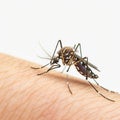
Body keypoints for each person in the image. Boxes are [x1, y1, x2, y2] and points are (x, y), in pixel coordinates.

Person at [0, 53, 120, 120]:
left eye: (55, 59)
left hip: (80, 64)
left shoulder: (67, 57)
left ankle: (99, 91)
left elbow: (67, 65)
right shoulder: (62, 55)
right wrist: (44, 69)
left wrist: (67, 83)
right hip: (75, 61)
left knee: (71, 66)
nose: (55, 61)